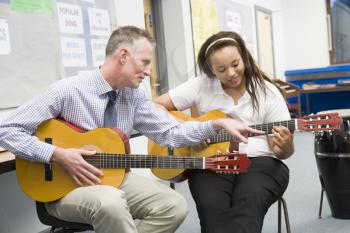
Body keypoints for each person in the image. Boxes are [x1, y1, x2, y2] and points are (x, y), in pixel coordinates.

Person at [0, 26, 262, 233]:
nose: (149, 72)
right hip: (64, 190)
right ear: (124, 56)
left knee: (173, 206)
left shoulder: (133, 96)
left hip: (113, 179)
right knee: (111, 204)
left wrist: (213, 125)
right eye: (145, 62)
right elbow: (7, 129)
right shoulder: (68, 90)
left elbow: (170, 133)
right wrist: (57, 154)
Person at [154, 31, 294, 233]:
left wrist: (286, 145)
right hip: (212, 161)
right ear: (211, 70)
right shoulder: (201, 85)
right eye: (221, 69)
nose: (231, 73)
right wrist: (188, 132)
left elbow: (284, 153)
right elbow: (155, 107)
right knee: (212, 207)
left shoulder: (267, 91)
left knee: (248, 202)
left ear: (244, 58)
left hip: (261, 161)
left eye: (235, 64)